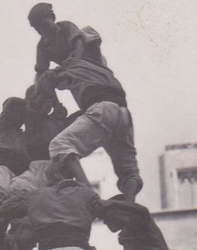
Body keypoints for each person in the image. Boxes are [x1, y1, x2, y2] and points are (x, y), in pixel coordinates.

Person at [33, 56, 142, 200]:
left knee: (60, 145)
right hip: (123, 115)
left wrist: (56, 104)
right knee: (129, 171)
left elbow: (44, 80)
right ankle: (130, 207)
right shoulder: (104, 69)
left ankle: (89, 194)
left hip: (102, 110)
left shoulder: (72, 64)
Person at [28, 2, 106, 79]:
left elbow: (78, 43)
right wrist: (39, 86)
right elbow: (41, 70)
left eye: (45, 25)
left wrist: (73, 63)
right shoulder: (43, 46)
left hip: (89, 58)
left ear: (53, 17)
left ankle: (103, 71)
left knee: (87, 31)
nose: (43, 30)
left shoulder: (66, 26)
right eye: (38, 29)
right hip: (71, 71)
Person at [0, 97, 29, 202]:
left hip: (20, 167)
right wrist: (29, 103)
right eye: (19, 113)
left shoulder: (20, 134)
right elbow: (10, 105)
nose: (21, 118)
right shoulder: (3, 125)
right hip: (5, 162)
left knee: (18, 194)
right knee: (1, 189)